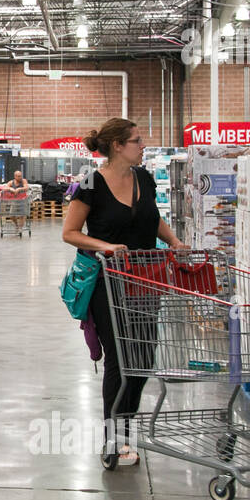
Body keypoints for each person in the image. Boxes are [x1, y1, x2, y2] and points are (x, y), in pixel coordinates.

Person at [62, 119, 186, 467]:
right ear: (117, 145)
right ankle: (114, 439)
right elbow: (70, 232)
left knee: (143, 362)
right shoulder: (91, 183)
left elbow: (152, 219)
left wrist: (174, 241)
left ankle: (126, 426)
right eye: (137, 141)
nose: (142, 145)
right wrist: (106, 246)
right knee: (120, 362)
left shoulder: (143, 178)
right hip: (108, 282)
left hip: (147, 279)